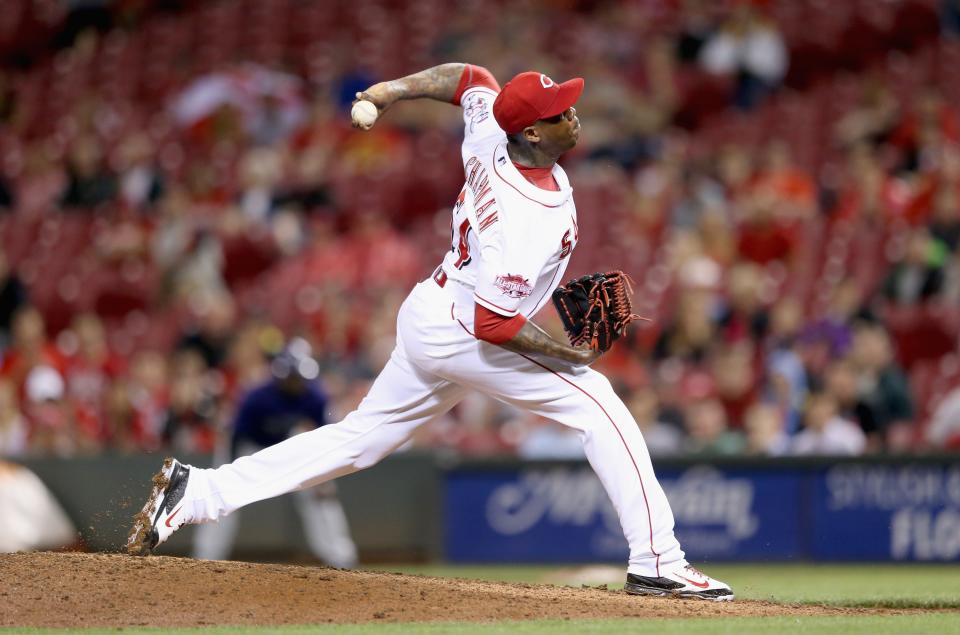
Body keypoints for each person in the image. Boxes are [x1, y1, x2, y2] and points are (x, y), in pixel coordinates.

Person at [126, 63, 733, 601]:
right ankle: (660, 562)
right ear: (532, 133)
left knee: (359, 441)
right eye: (558, 113)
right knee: (598, 404)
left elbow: (468, 79)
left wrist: (391, 90)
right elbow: (492, 324)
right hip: (467, 329)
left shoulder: (494, 130)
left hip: (433, 310)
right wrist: (570, 354)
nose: (572, 116)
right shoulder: (524, 216)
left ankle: (197, 492)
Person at [192, 339, 357, 568]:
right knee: (222, 497)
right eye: (293, 376)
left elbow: (325, 438)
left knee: (322, 497)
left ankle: (342, 558)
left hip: (286, 448)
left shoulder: (315, 397)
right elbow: (236, 437)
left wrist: (323, 479)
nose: (298, 382)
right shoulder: (257, 396)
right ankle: (204, 558)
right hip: (248, 447)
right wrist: (226, 476)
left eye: (301, 377)